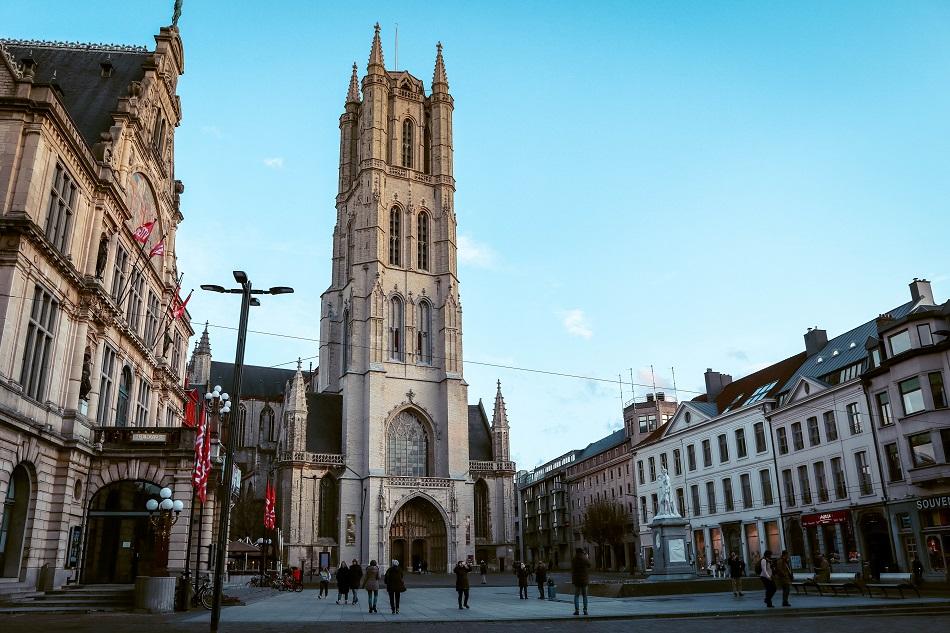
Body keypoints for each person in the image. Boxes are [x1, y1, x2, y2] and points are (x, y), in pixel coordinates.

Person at [571, 548, 590, 616]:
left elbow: (572, 569)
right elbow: (589, 565)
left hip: (577, 580)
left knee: (576, 596)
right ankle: (585, 610)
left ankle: (577, 611)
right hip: (584, 580)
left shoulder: (574, 559)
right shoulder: (585, 558)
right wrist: (587, 556)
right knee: (585, 596)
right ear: (582, 552)